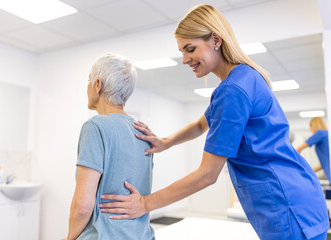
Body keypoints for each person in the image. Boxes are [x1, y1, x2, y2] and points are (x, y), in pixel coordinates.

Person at [98, 5, 329, 240]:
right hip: (300, 195)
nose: (185, 59)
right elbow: (201, 124)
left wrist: (144, 203)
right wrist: (164, 142)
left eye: (190, 49)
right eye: (182, 52)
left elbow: (208, 174)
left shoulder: (233, 90)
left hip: (287, 204)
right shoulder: (243, 77)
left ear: (216, 40)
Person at [66, 53, 155, 240]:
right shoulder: (144, 133)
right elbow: (144, 192)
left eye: (88, 80)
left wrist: (69, 238)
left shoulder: (95, 127)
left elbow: (82, 206)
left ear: (98, 84)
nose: (87, 87)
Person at [296, 117, 330, 183]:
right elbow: (323, 164)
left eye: (310, 127)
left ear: (313, 126)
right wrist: (308, 171)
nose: (310, 129)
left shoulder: (320, 133)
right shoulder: (326, 134)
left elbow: (300, 147)